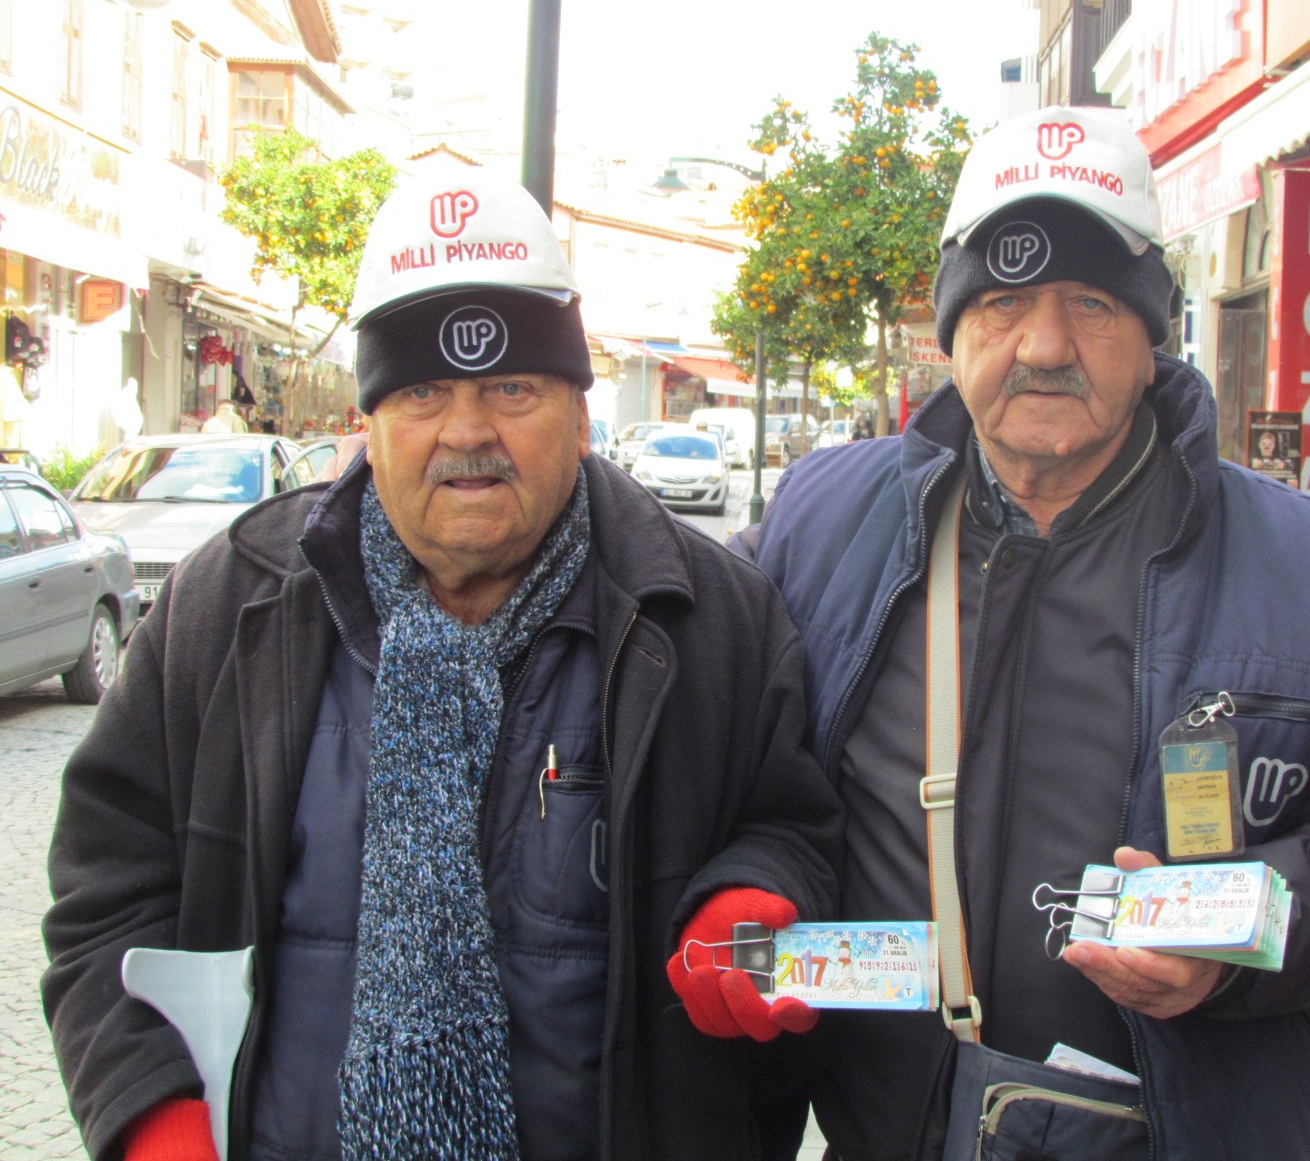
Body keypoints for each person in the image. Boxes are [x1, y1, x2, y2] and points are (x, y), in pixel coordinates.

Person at [42, 168, 841, 1160]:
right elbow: (107, 894)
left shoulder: (711, 618)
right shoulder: (230, 606)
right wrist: (158, 1126)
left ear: (580, 414)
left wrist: (754, 896)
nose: (467, 433)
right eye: (423, 391)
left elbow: (795, 828)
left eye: (512, 388)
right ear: (369, 427)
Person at [738, 106, 1310, 1159]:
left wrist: (1237, 945)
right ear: (950, 329)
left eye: (1090, 303)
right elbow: (743, 776)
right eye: (1000, 302)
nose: (1043, 346)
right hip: (886, 1128)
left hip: (1183, 1128)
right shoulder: (822, 523)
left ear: (1151, 328)